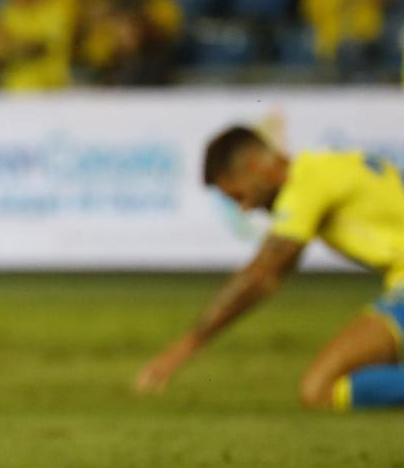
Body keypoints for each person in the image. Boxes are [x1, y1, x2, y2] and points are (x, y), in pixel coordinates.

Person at [135, 126, 404, 411]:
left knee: (320, 389)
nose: (246, 207)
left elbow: (261, 276)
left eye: (240, 195)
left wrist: (184, 347)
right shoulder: (330, 167)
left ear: (254, 165)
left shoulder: (306, 184)